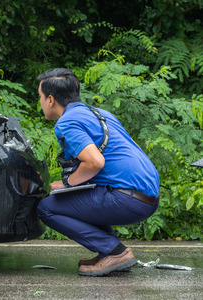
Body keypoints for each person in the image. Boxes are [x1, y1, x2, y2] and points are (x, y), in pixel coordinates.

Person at [36, 68, 160, 277]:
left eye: (39, 97)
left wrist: (66, 184)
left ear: (50, 99)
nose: (39, 102)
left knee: (46, 208)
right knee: (79, 199)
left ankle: (115, 252)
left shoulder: (66, 122)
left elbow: (94, 162)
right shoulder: (100, 114)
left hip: (127, 198)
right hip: (147, 197)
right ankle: (107, 250)